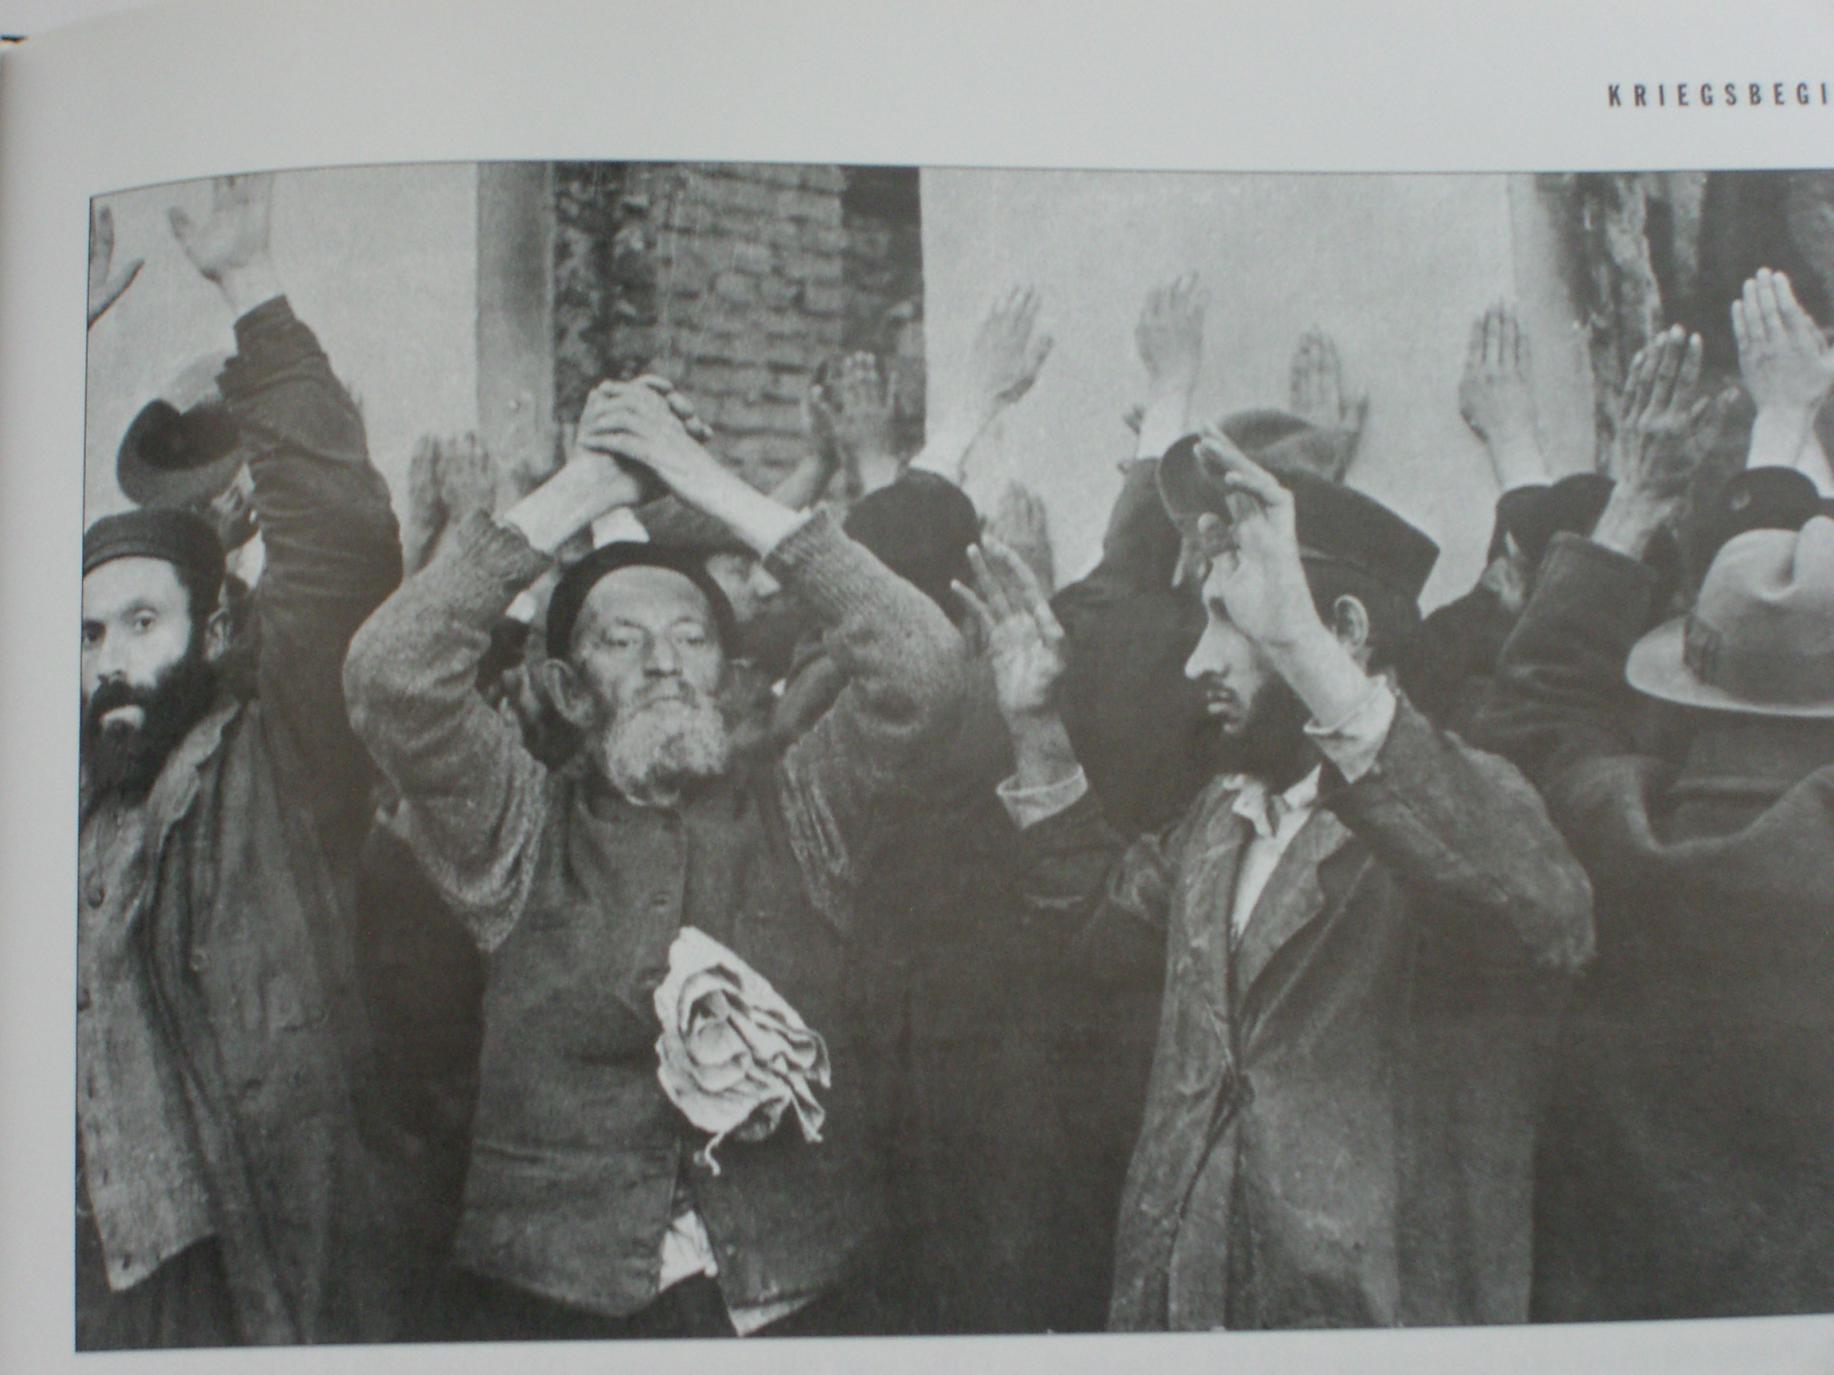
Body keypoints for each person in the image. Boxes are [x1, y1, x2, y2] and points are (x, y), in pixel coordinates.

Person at [342, 379, 970, 1339]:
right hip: (556, 1306)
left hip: (796, 1301)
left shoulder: (804, 812)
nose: (665, 662)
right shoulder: (519, 826)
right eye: (622, 641)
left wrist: (700, 477)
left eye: (692, 638)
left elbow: (926, 667)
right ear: (567, 690)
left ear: (732, 677)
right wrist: (590, 485)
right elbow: (389, 675)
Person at [963, 427, 1593, 1331]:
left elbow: (1547, 915)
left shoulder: (1456, 807)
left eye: (1232, 620)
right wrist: (1038, 733)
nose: (1197, 661)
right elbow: (1099, 935)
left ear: (1345, 632)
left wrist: (1297, 641)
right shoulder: (1222, 813)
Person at [76, 173, 405, 1347]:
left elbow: (344, 544)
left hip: (238, 1276)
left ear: (212, 625)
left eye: (144, 623)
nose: (113, 658)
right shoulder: (78, 769)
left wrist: (248, 283)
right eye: (92, 632)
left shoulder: (279, 744)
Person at [1474, 274, 1834, 1321]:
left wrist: (1634, 498)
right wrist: (1788, 427)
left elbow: (1536, 713)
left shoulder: (1606, 829)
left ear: (1693, 682)